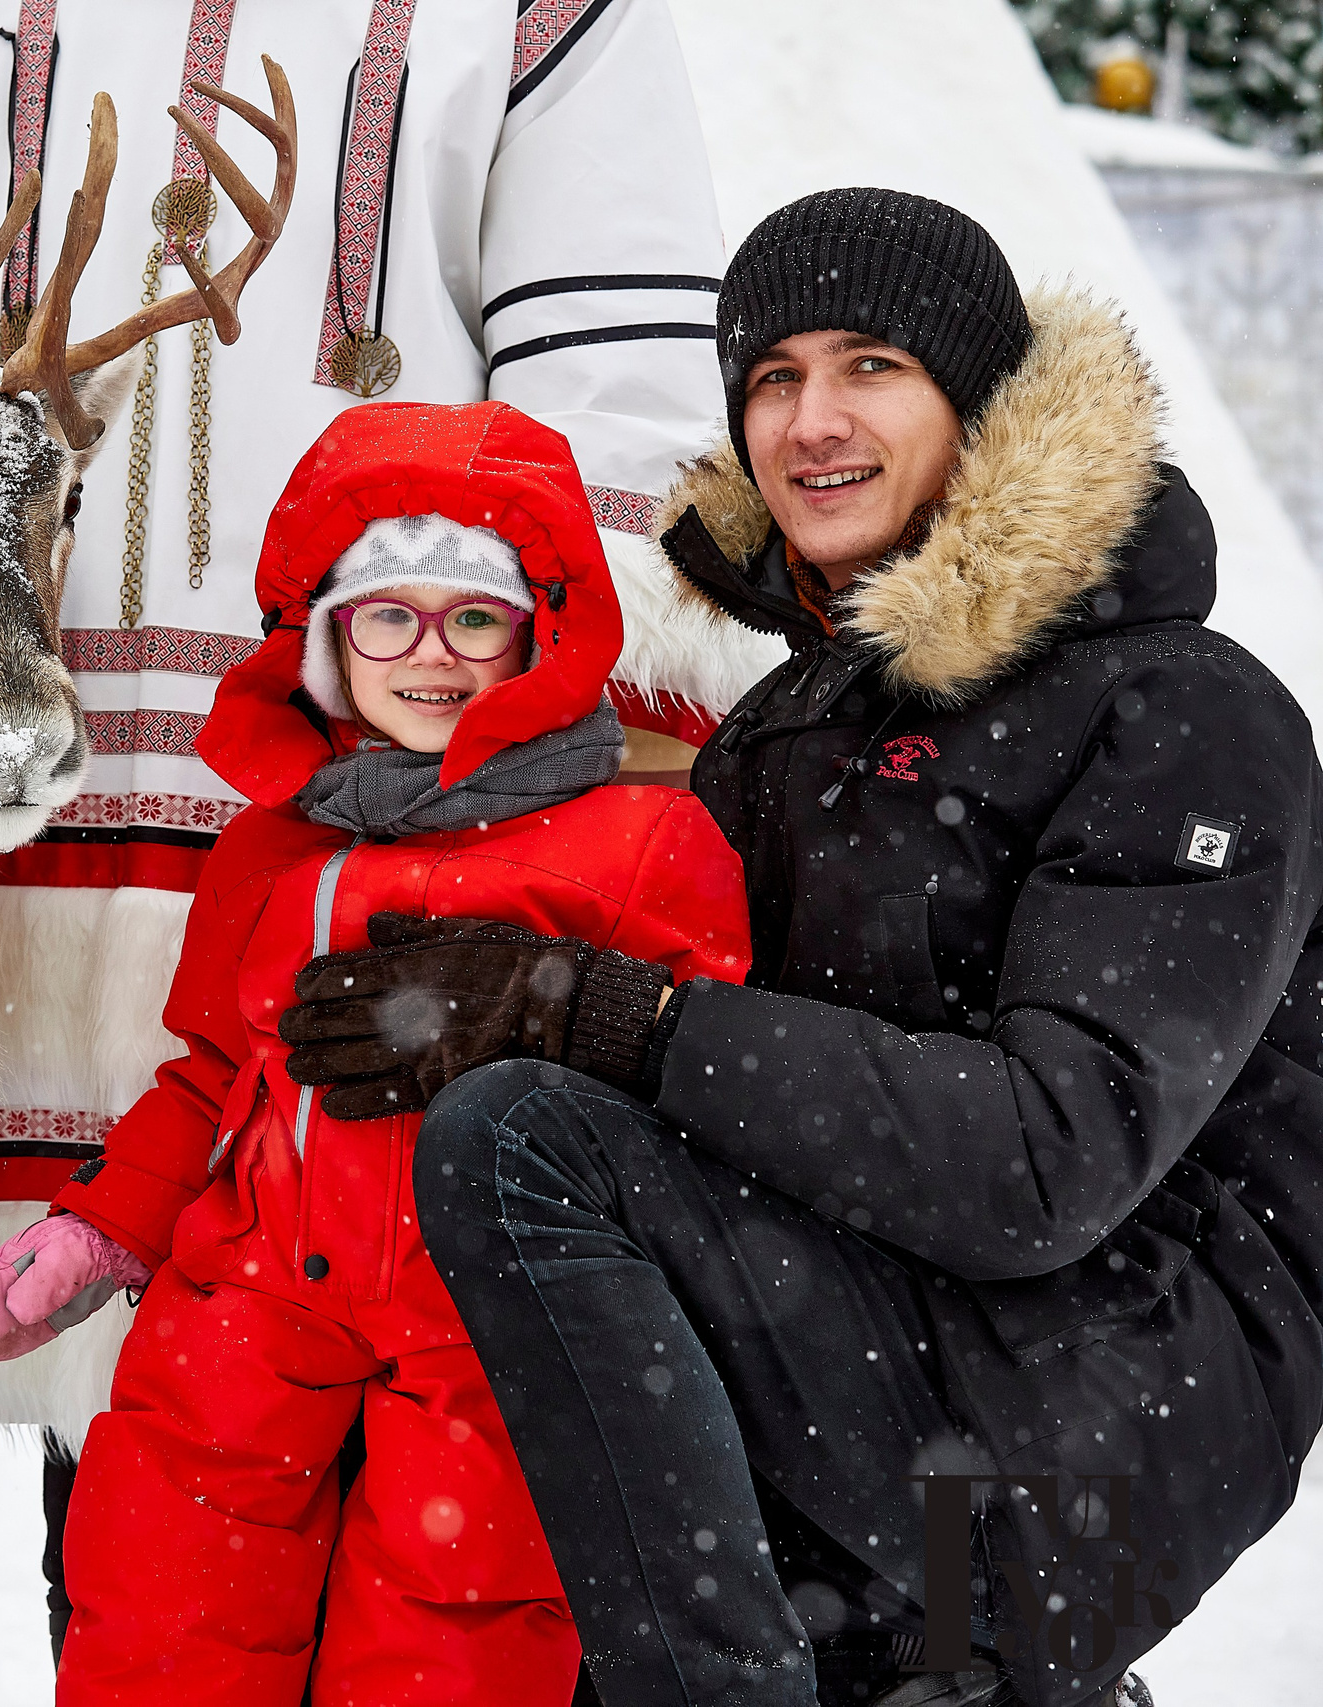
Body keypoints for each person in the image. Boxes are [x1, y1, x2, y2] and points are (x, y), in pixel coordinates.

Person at [0, 0, 776, 1641]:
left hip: (407, 748)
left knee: (440, 1442)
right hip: (55, 713)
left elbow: (618, 374)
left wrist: (509, 716)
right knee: (146, 1466)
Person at [283, 189, 1323, 1706]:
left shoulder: (1181, 711)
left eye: (870, 365)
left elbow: (1049, 1159)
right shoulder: (787, 731)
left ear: (977, 401)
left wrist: (591, 1013)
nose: (811, 418)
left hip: (1108, 1405)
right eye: (772, 376)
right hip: (887, 1366)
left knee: (530, 1140)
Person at [0, 399, 753, 1705]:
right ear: (327, 634)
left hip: (491, 1328)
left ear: (538, 631)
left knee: (456, 1630)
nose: (429, 655)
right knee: (163, 1595)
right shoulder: (279, 842)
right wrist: (97, 1228)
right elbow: (211, 1069)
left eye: (473, 616)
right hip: (256, 1298)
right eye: (389, 613)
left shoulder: (638, 843)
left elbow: (703, 1080)